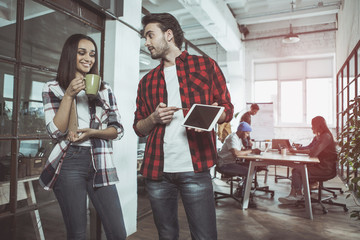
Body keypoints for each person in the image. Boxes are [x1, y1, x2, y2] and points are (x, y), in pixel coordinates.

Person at [133, 13, 233, 240]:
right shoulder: (146, 81)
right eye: (144, 37)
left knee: (204, 236)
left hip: (195, 170)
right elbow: (139, 127)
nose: (146, 42)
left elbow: (227, 109)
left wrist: (209, 118)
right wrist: (154, 119)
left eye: (150, 35)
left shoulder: (206, 66)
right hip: (157, 172)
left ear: (168, 35)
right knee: (166, 236)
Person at [40, 34, 127, 239]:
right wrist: (69, 94)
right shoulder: (52, 87)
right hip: (70, 161)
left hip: (101, 159)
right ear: (71, 55)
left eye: (92, 54)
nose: (88, 58)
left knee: (118, 232)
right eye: (82, 52)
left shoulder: (105, 89)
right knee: (77, 233)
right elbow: (55, 131)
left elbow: (118, 129)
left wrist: (94, 132)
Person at [278, 116, 338, 204]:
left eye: (313, 125)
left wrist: (295, 151)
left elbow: (313, 153)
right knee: (298, 169)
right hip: (320, 165)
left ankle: (295, 195)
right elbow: (310, 148)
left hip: (325, 169)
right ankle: (297, 195)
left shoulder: (326, 136)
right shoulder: (320, 136)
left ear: (318, 125)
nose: (311, 128)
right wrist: (299, 149)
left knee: (298, 171)